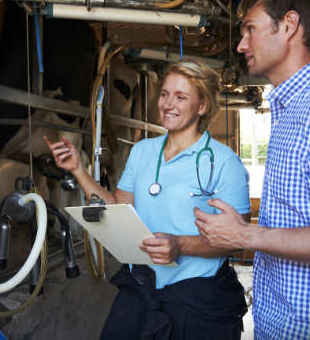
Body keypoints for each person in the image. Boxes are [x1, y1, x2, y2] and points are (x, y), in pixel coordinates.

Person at [194, 0, 310, 340]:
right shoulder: (293, 109)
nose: (240, 45)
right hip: (287, 323)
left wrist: (246, 234)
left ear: (290, 25)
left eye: (250, 29)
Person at [45, 61, 251, 339]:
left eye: (181, 97)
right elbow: (120, 209)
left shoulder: (226, 163)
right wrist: (78, 170)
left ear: (202, 106)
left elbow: (238, 239)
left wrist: (181, 245)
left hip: (196, 298)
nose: (167, 104)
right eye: (164, 94)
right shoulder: (142, 151)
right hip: (141, 287)